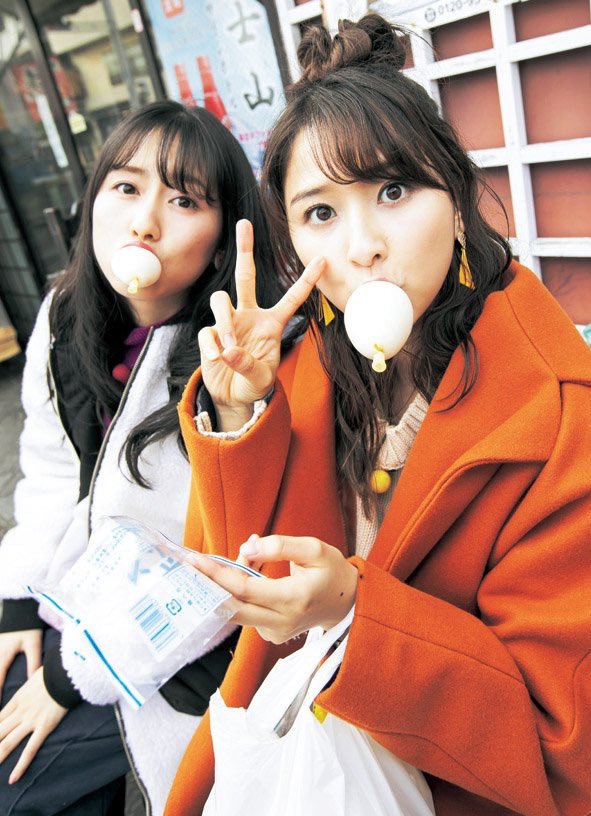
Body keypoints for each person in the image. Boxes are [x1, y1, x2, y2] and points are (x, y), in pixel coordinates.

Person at [164, 14, 591, 816]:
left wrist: (357, 618)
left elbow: (560, 741)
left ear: (457, 203)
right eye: (320, 213)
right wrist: (239, 406)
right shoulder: (303, 367)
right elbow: (236, 579)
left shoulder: (559, 416)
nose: (362, 246)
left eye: (392, 191)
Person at [0, 100, 284, 816]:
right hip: (80, 598)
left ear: (221, 242)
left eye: (184, 200)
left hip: (188, 648)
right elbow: (52, 467)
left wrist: (65, 679)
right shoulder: (65, 316)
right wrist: (20, 601)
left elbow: (217, 561)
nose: (144, 222)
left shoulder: (239, 359)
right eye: (126, 187)